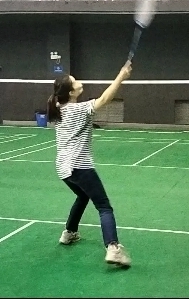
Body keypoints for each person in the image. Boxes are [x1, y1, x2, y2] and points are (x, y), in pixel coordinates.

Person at [47, 60, 133, 267]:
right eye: (75, 81)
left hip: (63, 168)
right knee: (104, 206)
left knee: (83, 196)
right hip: (79, 166)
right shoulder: (77, 110)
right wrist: (121, 76)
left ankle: (69, 232)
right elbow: (105, 99)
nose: (80, 82)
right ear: (71, 92)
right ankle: (113, 248)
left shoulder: (59, 108)